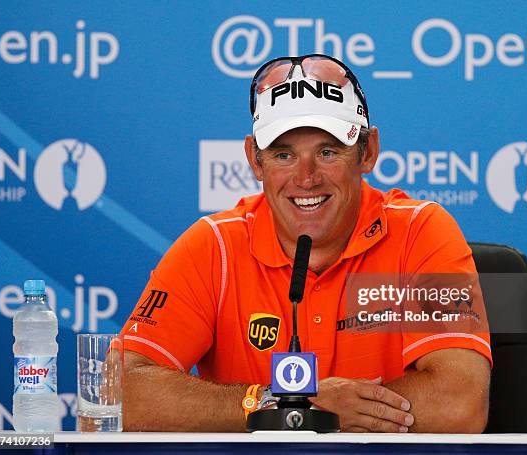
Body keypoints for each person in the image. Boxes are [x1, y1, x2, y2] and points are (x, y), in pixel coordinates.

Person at [121, 54, 491, 433]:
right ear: (255, 161)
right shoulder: (214, 246)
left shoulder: (421, 231)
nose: (306, 178)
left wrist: (322, 413)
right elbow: (119, 395)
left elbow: (459, 402)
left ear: (368, 152)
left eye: (328, 152)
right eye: (284, 155)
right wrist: (284, 405)